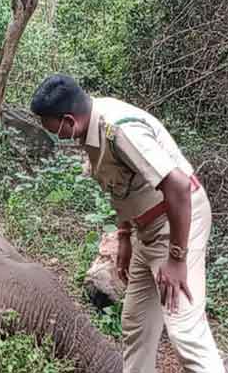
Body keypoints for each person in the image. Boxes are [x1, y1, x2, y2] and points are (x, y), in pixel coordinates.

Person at [30, 74, 222, 373]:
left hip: (176, 226)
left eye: (51, 128)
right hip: (146, 231)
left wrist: (176, 259)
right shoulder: (91, 125)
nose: (53, 134)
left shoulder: (119, 130)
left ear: (68, 120)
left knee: (186, 332)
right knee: (137, 324)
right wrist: (124, 237)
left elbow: (179, 186)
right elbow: (122, 187)